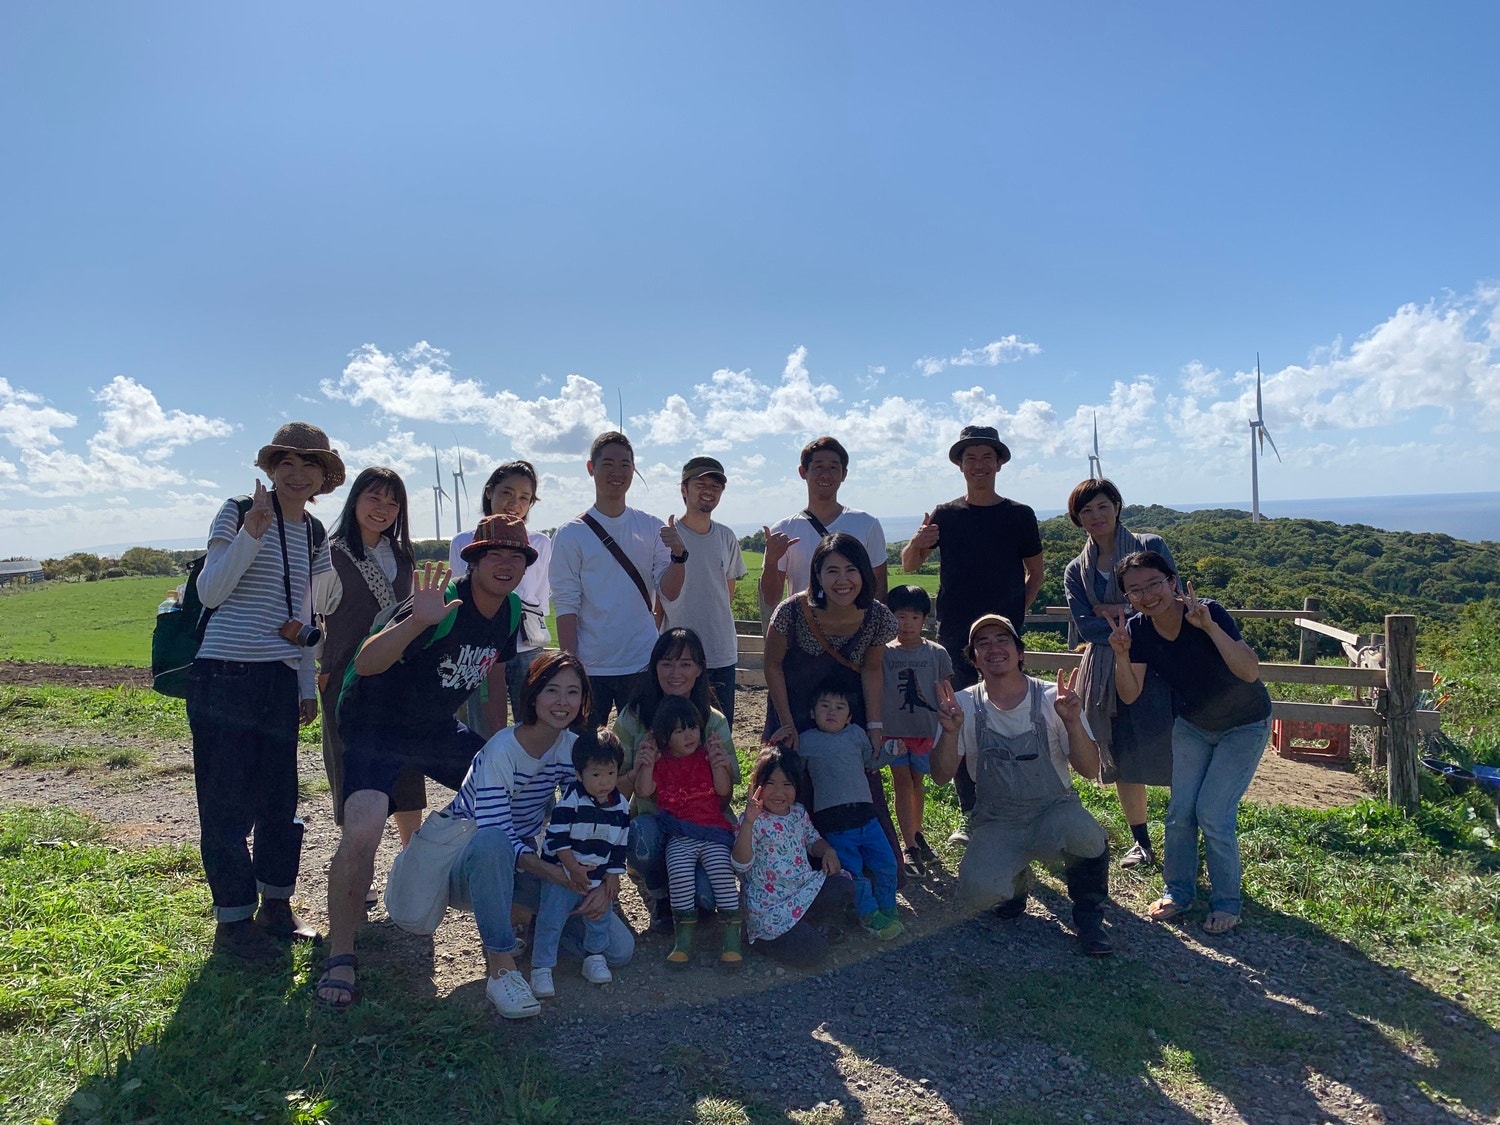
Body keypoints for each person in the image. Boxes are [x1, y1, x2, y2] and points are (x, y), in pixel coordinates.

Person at [317, 514, 529, 1008]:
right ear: (472, 560)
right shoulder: (437, 604)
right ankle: (342, 952)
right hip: (375, 728)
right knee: (366, 827)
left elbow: (494, 677)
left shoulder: (512, 611)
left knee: (518, 794)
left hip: (432, 728)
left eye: (515, 556)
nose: (505, 564)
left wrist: (499, 748)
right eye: (493, 554)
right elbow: (365, 662)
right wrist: (416, 620)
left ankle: (518, 914)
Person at [188, 422, 339, 960]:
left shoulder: (316, 534)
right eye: (287, 463)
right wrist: (252, 532)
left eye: (309, 465)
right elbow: (211, 590)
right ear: (271, 469)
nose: (297, 474)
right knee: (226, 802)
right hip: (224, 675)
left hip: (277, 677)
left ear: (324, 477)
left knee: (281, 800)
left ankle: (276, 905)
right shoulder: (236, 512)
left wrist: (304, 683)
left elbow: (308, 613)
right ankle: (232, 922)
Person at [447, 652, 635, 1019]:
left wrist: (601, 881)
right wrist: (557, 874)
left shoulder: (571, 752)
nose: (562, 702)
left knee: (619, 950)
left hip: (531, 866)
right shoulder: (502, 749)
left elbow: (590, 812)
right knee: (494, 843)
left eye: (573, 692)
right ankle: (501, 969)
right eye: (552, 690)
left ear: (584, 700)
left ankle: (536, 928)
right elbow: (495, 832)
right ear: (532, 695)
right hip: (471, 862)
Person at [1107, 552, 1272, 937]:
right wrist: (1122, 655)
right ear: (1127, 598)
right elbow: (1129, 695)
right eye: (1135, 591)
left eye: (1153, 584)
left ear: (1172, 582)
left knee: (1212, 812)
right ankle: (1178, 892)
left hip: (1244, 724)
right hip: (1193, 726)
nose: (1147, 595)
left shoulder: (1208, 612)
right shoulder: (1139, 632)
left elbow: (1250, 672)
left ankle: (1227, 903)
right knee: (1181, 811)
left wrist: (1211, 628)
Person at [929, 615, 1113, 956]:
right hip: (997, 819)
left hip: (1053, 810)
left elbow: (1088, 770)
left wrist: (1072, 722)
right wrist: (951, 732)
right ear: (973, 659)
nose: (994, 648)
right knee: (978, 892)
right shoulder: (962, 705)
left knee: (1087, 836)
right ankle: (1015, 883)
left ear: (1020, 652)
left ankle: (1089, 917)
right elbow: (940, 777)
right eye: (983, 643)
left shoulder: (1052, 699)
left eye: (1003, 640)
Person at [900, 424, 1043, 848]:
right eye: (970, 458)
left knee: (1014, 714)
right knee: (961, 717)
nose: (978, 465)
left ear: (999, 462)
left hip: (1003, 635)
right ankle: (971, 810)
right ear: (960, 465)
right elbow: (909, 564)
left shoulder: (1020, 514)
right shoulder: (945, 513)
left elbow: (1035, 573)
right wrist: (918, 540)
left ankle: (1018, 803)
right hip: (955, 634)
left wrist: (1016, 614)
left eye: (986, 457)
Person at [762, 533, 903, 883]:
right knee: (789, 787)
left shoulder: (878, 617)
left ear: (864, 574)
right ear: (817, 575)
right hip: (792, 708)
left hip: (844, 713)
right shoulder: (792, 611)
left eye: (851, 570)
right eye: (832, 571)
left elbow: (871, 669)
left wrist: (873, 725)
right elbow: (772, 665)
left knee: (855, 784)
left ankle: (864, 873)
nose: (843, 580)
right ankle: (786, 876)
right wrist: (788, 723)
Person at [1063, 478, 1178, 869]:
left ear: (1117, 506)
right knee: (1123, 751)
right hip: (1104, 672)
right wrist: (1128, 612)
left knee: (1176, 745)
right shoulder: (1076, 571)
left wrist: (1111, 611)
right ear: (1077, 519)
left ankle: (1183, 835)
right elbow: (1086, 628)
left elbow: (1168, 602)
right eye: (1086, 511)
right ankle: (1141, 841)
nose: (1095, 517)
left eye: (1101, 506)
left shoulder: (1150, 546)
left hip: (1159, 663)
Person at [315, 466, 421, 846]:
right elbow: (311, 616)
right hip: (346, 679)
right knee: (353, 771)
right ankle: (357, 869)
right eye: (374, 498)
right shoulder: (329, 555)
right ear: (355, 499)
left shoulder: (401, 555)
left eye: (393, 503)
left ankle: (414, 861)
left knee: (407, 772)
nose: (383, 509)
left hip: (399, 677)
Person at [550, 431, 683, 726]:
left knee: (642, 751)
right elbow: (566, 602)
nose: (617, 472)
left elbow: (670, 591)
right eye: (607, 463)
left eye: (625, 464)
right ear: (590, 468)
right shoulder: (571, 534)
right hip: (589, 666)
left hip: (641, 660)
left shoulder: (651, 526)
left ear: (634, 470)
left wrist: (678, 556)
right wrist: (570, 667)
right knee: (585, 755)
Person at [612, 628, 740, 929]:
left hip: (702, 825)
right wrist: (636, 771)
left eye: (685, 664)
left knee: (707, 900)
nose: (675, 673)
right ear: (654, 666)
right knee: (642, 838)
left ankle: (691, 890)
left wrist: (720, 767)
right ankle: (660, 891)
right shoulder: (633, 717)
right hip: (655, 822)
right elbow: (609, 789)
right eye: (666, 663)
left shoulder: (713, 721)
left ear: (699, 670)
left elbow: (726, 796)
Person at [634, 696, 742, 966]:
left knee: (723, 879)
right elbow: (644, 791)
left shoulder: (707, 755)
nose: (689, 735)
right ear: (665, 736)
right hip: (679, 834)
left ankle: (731, 940)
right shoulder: (662, 762)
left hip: (712, 831)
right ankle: (683, 940)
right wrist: (646, 764)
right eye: (679, 730)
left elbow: (721, 791)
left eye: (692, 727)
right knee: (680, 880)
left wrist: (721, 765)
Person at [796, 680, 904, 939]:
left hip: (867, 817)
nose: (831, 712)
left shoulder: (856, 734)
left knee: (886, 863)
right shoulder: (805, 741)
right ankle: (868, 914)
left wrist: (891, 750)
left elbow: (872, 761)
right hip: (835, 823)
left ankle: (887, 906)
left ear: (850, 716)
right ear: (812, 713)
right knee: (852, 872)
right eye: (824, 706)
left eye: (839, 707)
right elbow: (793, 773)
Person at [530, 729, 632, 1000]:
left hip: (597, 876)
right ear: (579, 774)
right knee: (550, 918)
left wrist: (613, 874)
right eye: (596, 775)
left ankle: (594, 957)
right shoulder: (570, 802)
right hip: (562, 875)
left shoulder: (620, 806)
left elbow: (620, 842)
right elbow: (557, 839)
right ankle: (542, 966)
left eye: (610, 773)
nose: (604, 782)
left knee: (599, 918)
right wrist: (572, 869)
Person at [449, 460, 553, 723]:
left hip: (526, 645)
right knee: (480, 721)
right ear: (489, 492)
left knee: (531, 720)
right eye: (506, 492)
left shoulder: (540, 542)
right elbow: (459, 596)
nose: (514, 503)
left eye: (524, 497)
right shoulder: (463, 541)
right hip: (478, 643)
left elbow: (540, 598)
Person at [731, 747, 853, 967]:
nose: (779, 792)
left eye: (787, 784)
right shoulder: (753, 821)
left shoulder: (797, 812)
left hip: (801, 892)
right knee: (815, 952)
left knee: (842, 886)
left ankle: (806, 924)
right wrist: (748, 823)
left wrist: (827, 850)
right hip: (769, 908)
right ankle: (762, 940)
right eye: (771, 784)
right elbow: (741, 864)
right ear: (757, 786)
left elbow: (812, 840)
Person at [658, 456, 747, 727]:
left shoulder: (726, 537)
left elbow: (726, 591)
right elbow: (660, 598)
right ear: (683, 489)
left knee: (719, 733)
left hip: (721, 652)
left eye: (716, 485)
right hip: (677, 656)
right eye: (701, 483)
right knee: (677, 733)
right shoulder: (666, 537)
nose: (709, 490)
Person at [760, 436, 888, 615]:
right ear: (803, 472)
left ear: (844, 474)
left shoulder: (867, 524)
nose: (826, 474)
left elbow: (879, 590)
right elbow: (771, 599)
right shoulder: (784, 530)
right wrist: (771, 561)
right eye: (818, 466)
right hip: (804, 630)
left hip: (856, 631)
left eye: (834, 467)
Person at [881, 585, 953, 877]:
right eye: (900, 616)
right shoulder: (883, 653)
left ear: (925, 619)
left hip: (926, 730)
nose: (906, 623)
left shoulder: (937, 654)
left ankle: (917, 833)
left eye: (913, 617)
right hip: (894, 732)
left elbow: (947, 692)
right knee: (902, 783)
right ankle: (909, 845)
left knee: (917, 782)